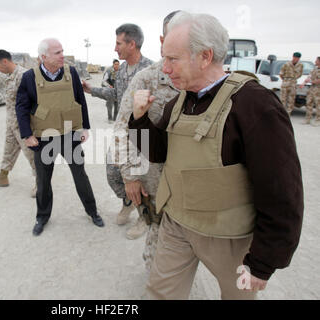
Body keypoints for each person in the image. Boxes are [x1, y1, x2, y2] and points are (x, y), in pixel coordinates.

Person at [129, 11, 303, 299]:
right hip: (176, 226)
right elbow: (159, 153)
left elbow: (282, 191)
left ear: (206, 56)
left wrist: (262, 263)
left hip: (230, 239)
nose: (165, 68)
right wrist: (139, 120)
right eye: (164, 58)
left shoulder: (255, 105)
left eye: (173, 59)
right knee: (159, 293)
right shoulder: (180, 101)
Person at [16, 38, 104, 236]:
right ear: (43, 56)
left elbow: (80, 100)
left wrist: (84, 127)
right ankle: (42, 217)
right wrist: (27, 135)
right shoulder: (30, 77)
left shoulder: (70, 72)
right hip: (44, 138)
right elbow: (21, 107)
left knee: (80, 176)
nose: (62, 55)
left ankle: (92, 212)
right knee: (43, 181)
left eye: (62, 51)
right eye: (57, 52)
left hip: (69, 135)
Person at [115, 11, 179, 271]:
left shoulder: (203, 81)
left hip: (190, 183)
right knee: (157, 239)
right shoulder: (148, 78)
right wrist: (130, 175)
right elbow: (123, 127)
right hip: (155, 177)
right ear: (163, 39)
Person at [82, 23, 153, 240]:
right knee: (113, 173)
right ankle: (128, 202)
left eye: (119, 43)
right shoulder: (121, 69)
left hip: (143, 136)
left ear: (132, 44)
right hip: (122, 133)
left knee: (142, 179)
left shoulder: (151, 70)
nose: (115, 48)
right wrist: (92, 89)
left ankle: (145, 216)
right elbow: (117, 96)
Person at [0, 50, 36, 197]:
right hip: (11, 122)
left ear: (5, 61)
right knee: (8, 150)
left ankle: (41, 182)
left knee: (31, 153)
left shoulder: (24, 75)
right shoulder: (9, 77)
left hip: (23, 124)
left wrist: (28, 126)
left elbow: (32, 101)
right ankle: (3, 176)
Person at [300, 56, 320, 125]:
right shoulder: (314, 69)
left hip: (318, 90)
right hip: (311, 89)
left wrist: (311, 81)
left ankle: (318, 120)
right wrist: (303, 83)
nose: (315, 61)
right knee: (309, 104)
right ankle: (308, 119)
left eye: (316, 60)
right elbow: (309, 76)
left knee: (318, 105)